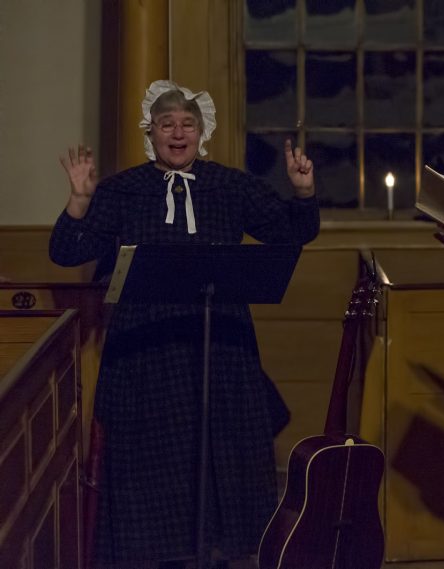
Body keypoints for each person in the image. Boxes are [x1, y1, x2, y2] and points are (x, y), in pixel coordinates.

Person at [49, 80, 320, 568]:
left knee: (217, 457)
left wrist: (302, 192)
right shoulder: (123, 189)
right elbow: (68, 253)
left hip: (218, 347)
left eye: (187, 124)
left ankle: (215, 555)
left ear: (202, 132)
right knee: (155, 467)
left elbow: (291, 232)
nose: (178, 133)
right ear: (150, 133)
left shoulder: (229, 185)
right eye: (166, 124)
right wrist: (79, 201)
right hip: (146, 354)